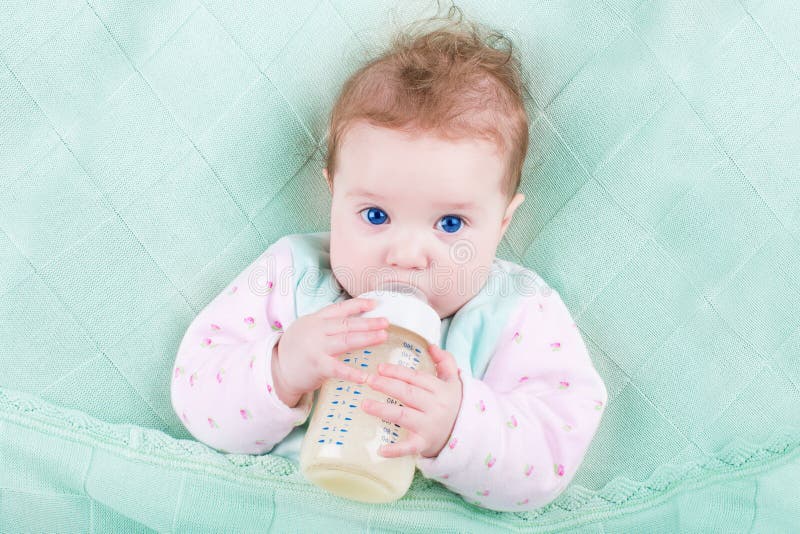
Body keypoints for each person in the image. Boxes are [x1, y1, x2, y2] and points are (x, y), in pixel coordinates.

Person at [171, 6, 607, 511]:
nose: (405, 255)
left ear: (502, 224)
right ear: (333, 194)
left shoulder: (517, 312)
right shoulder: (293, 276)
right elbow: (195, 391)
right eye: (375, 215)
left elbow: (551, 456)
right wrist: (281, 368)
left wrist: (458, 425)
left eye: (450, 224)